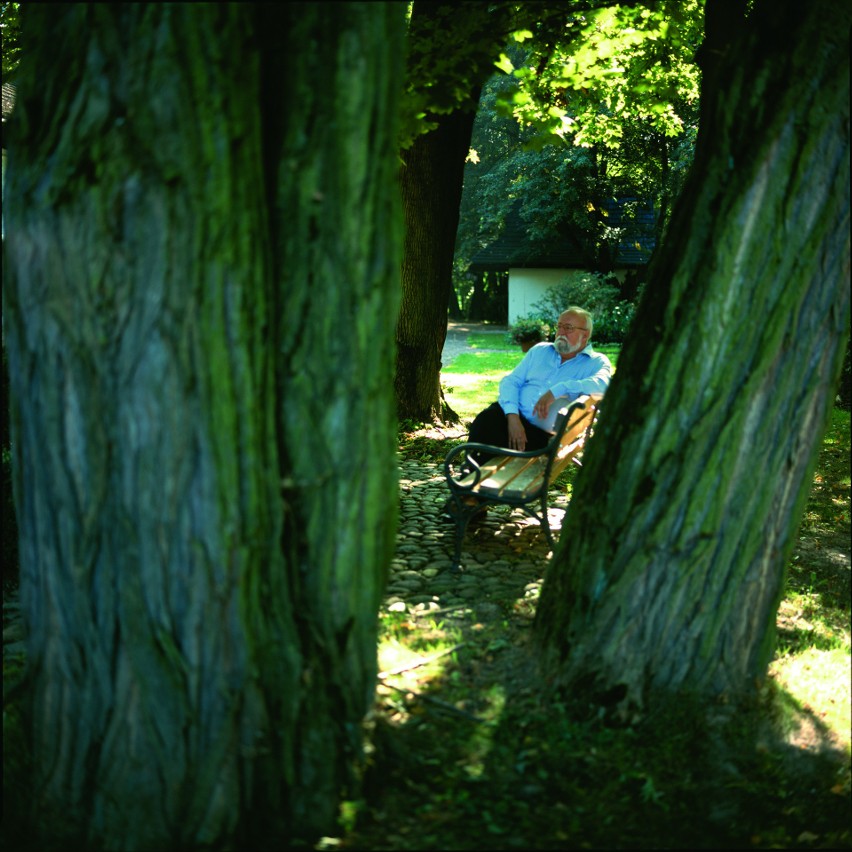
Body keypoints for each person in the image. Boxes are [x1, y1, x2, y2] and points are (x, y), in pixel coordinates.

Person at [467, 305, 612, 456]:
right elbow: (511, 381)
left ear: (585, 334)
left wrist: (559, 389)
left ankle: (474, 474)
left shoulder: (596, 362)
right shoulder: (540, 350)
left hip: (540, 436)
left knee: (494, 442)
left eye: (568, 328)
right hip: (512, 417)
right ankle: (470, 472)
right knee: (485, 420)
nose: (561, 332)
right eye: (559, 326)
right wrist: (513, 417)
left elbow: (603, 386)